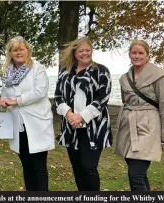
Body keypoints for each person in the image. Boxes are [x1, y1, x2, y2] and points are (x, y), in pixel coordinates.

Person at [54, 37, 112, 191]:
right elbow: (58, 97)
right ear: (75, 53)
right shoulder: (64, 72)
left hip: (94, 127)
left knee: (89, 167)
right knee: (77, 167)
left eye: (87, 50)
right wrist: (69, 114)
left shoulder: (101, 71)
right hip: (71, 126)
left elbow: (103, 98)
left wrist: (81, 116)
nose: (85, 53)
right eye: (81, 51)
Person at [114, 40, 164, 191]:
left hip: (148, 128)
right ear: (129, 55)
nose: (137, 56)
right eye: (134, 53)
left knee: (136, 175)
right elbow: (126, 102)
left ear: (147, 55)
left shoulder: (159, 77)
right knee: (140, 176)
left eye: (141, 53)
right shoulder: (125, 78)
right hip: (128, 128)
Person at [0, 36, 55, 191]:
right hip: (19, 126)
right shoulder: (7, 74)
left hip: (37, 124)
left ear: (28, 51)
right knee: (27, 167)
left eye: (21, 49)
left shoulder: (37, 68)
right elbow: (5, 95)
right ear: (10, 53)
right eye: (15, 50)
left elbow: (40, 92)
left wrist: (16, 101)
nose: (18, 52)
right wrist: (4, 102)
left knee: (39, 167)